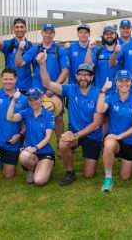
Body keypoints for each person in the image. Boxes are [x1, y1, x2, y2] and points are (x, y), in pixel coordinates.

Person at [38, 54, 104, 185]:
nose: (83, 77)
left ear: (92, 77)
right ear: (76, 76)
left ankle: (90, 153)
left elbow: (96, 125)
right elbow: (47, 83)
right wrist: (42, 65)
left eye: (87, 75)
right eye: (81, 74)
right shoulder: (71, 89)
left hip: (93, 135)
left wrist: (76, 135)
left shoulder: (98, 94)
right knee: (62, 142)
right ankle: (70, 172)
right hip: (74, 130)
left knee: (89, 174)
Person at [17, 23, 69, 142]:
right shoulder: (36, 49)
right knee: (36, 117)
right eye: (46, 32)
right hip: (37, 91)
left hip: (54, 90)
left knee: (59, 118)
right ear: (42, 33)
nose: (48, 35)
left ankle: (60, 143)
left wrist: (53, 87)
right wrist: (20, 50)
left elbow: (65, 72)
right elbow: (19, 63)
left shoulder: (59, 50)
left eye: (51, 33)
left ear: (54, 34)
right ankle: (36, 143)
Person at [97, 70, 132, 192]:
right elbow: (100, 109)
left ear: (131, 82)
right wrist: (103, 90)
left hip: (130, 142)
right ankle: (108, 179)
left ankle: (126, 162)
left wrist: (119, 136)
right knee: (109, 143)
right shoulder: (111, 97)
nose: (124, 83)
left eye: (127, 81)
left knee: (126, 177)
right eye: (120, 81)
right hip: (115, 141)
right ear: (116, 83)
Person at [7, 88, 56, 186]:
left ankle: (46, 167)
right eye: (30, 100)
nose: (33, 102)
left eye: (36, 99)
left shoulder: (48, 115)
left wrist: (35, 148)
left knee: (39, 181)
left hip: (45, 152)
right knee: (23, 156)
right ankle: (32, 169)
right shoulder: (26, 112)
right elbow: (10, 117)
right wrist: (13, 100)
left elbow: (48, 137)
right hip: (30, 152)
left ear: (41, 98)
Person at [0, 17, 33, 93]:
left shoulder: (31, 46)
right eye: (17, 27)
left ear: (26, 29)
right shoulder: (9, 44)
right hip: (10, 88)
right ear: (13, 29)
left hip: (27, 87)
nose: (19, 29)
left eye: (22, 27)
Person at [85, 25, 122, 94]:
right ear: (103, 36)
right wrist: (89, 49)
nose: (109, 36)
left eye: (111, 33)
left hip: (116, 93)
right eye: (106, 34)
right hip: (100, 91)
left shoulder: (121, 50)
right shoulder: (98, 51)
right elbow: (88, 66)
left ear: (116, 35)